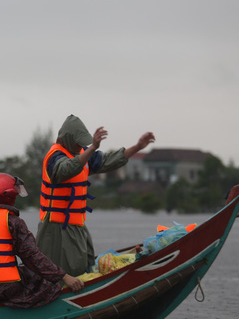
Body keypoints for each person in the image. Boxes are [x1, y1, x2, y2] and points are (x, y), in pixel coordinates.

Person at [36, 114, 155, 276]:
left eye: (83, 144)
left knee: (83, 268)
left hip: (77, 227)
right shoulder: (54, 157)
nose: (81, 146)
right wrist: (92, 148)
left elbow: (107, 160)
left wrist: (137, 147)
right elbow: (65, 169)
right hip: (56, 230)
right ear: (68, 139)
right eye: (79, 143)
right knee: (64, 274)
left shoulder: (80, 153)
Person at [0, 173, 84, 308]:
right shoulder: (12, 222)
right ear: (9, 197)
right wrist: (64, 276)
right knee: (46, 282)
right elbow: (33, 257)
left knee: (24, 272)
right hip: (6, 290)